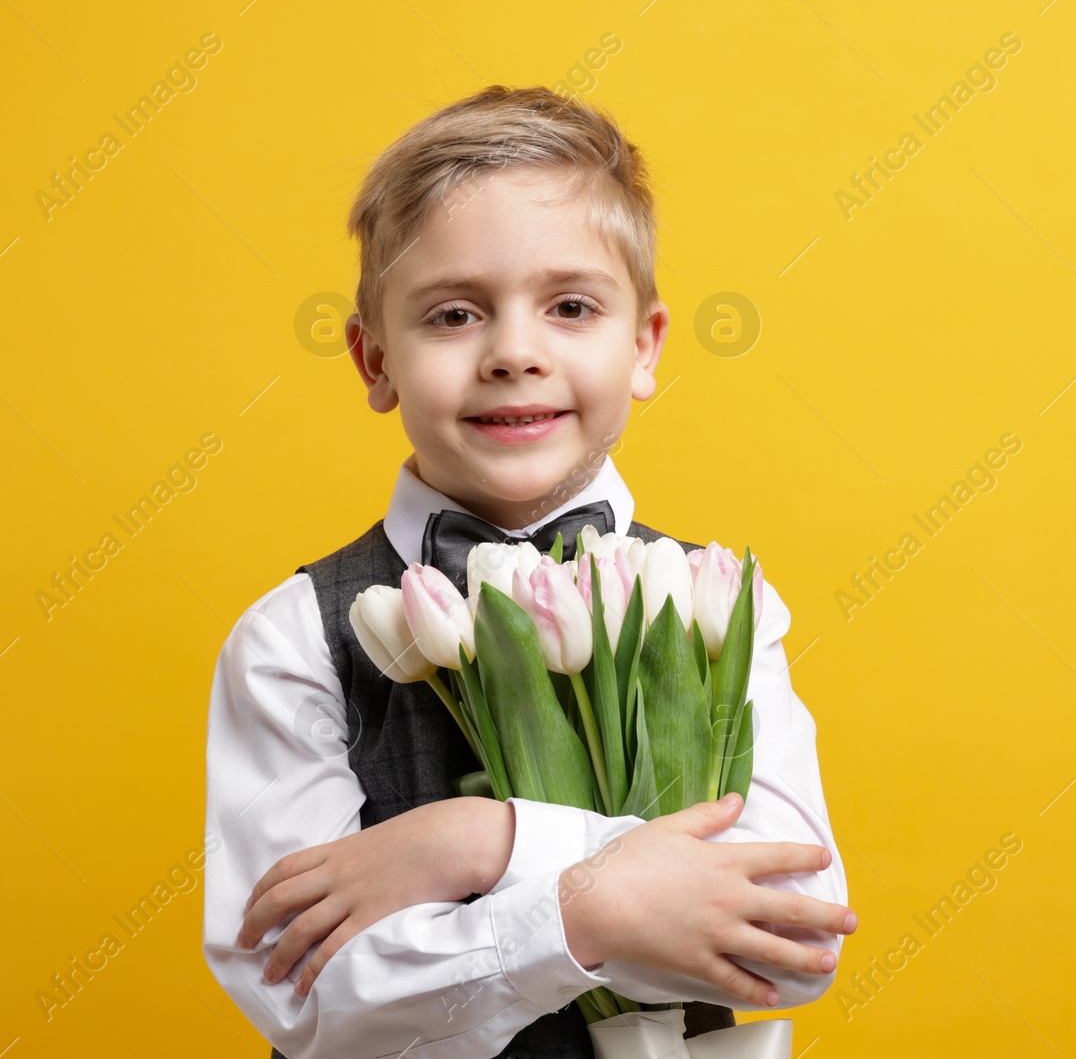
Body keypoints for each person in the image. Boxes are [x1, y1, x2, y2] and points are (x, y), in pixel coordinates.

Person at [201, 84, 856, 1059]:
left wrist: (485, 840)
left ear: (643, 346)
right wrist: (605, 906)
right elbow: (312, 998)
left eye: (571, 306)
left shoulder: (723, 602)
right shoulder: (293, 636)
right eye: (455, 313)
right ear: (373, 359)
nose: (514, 352)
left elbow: (794, 938)